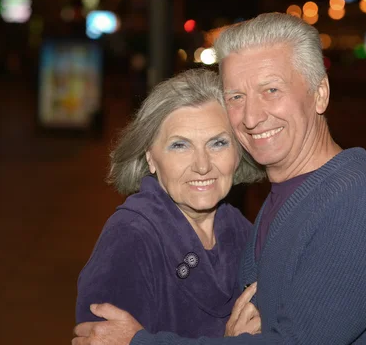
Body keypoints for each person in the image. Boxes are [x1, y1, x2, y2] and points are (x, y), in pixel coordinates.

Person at [72, 13, 366, 344]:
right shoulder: (282, 199)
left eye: (271, 90)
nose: (251, 116)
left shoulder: (360, 200)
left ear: (320, 93)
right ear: (151, 155)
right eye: (236, 96)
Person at [75, 69, 266, 338]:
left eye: (218, 143)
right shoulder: (130, 239)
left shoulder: (240, 230)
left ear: (238, 153)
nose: (202, 165)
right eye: (180, 146)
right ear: (150, 158)